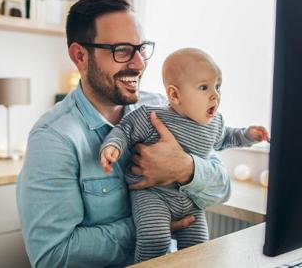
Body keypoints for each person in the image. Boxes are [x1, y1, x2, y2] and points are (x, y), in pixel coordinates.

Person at [16, 0, 233, 267]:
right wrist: (151, 226)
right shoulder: (53, 139)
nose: (139, 64)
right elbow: (53, 256)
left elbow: (222, 188)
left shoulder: (163, 109)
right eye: (121, 50)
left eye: (141, 48)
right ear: (80, 56)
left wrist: (186, 168)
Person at [100, 48, 269, 262]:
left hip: (190, 198)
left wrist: (248, 135)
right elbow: (125, 130)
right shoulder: (152, 115)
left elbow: (227, 138)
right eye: (204, 87)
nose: (215, 95)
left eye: (218, 86)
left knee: (199, 246)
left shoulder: (214, 123)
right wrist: (112, 146)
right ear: (175, 95)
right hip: (154, 195)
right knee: (155, 240)